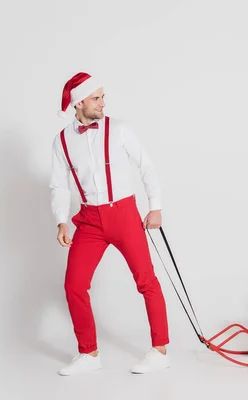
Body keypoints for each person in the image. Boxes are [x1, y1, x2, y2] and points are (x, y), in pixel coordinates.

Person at [50, 72, 171, 375]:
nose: (103, 103)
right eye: (96, 98)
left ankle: (160, 351)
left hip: (124, 214)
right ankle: (88, 354)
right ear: (79, 103)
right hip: (89, 220)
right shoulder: (62, 140)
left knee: (146, 281)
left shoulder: (120, 130)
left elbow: (147, 167)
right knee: (74, 285)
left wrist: (155, 207)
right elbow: (59, 185)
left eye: (103, 97)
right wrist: (61, 221)